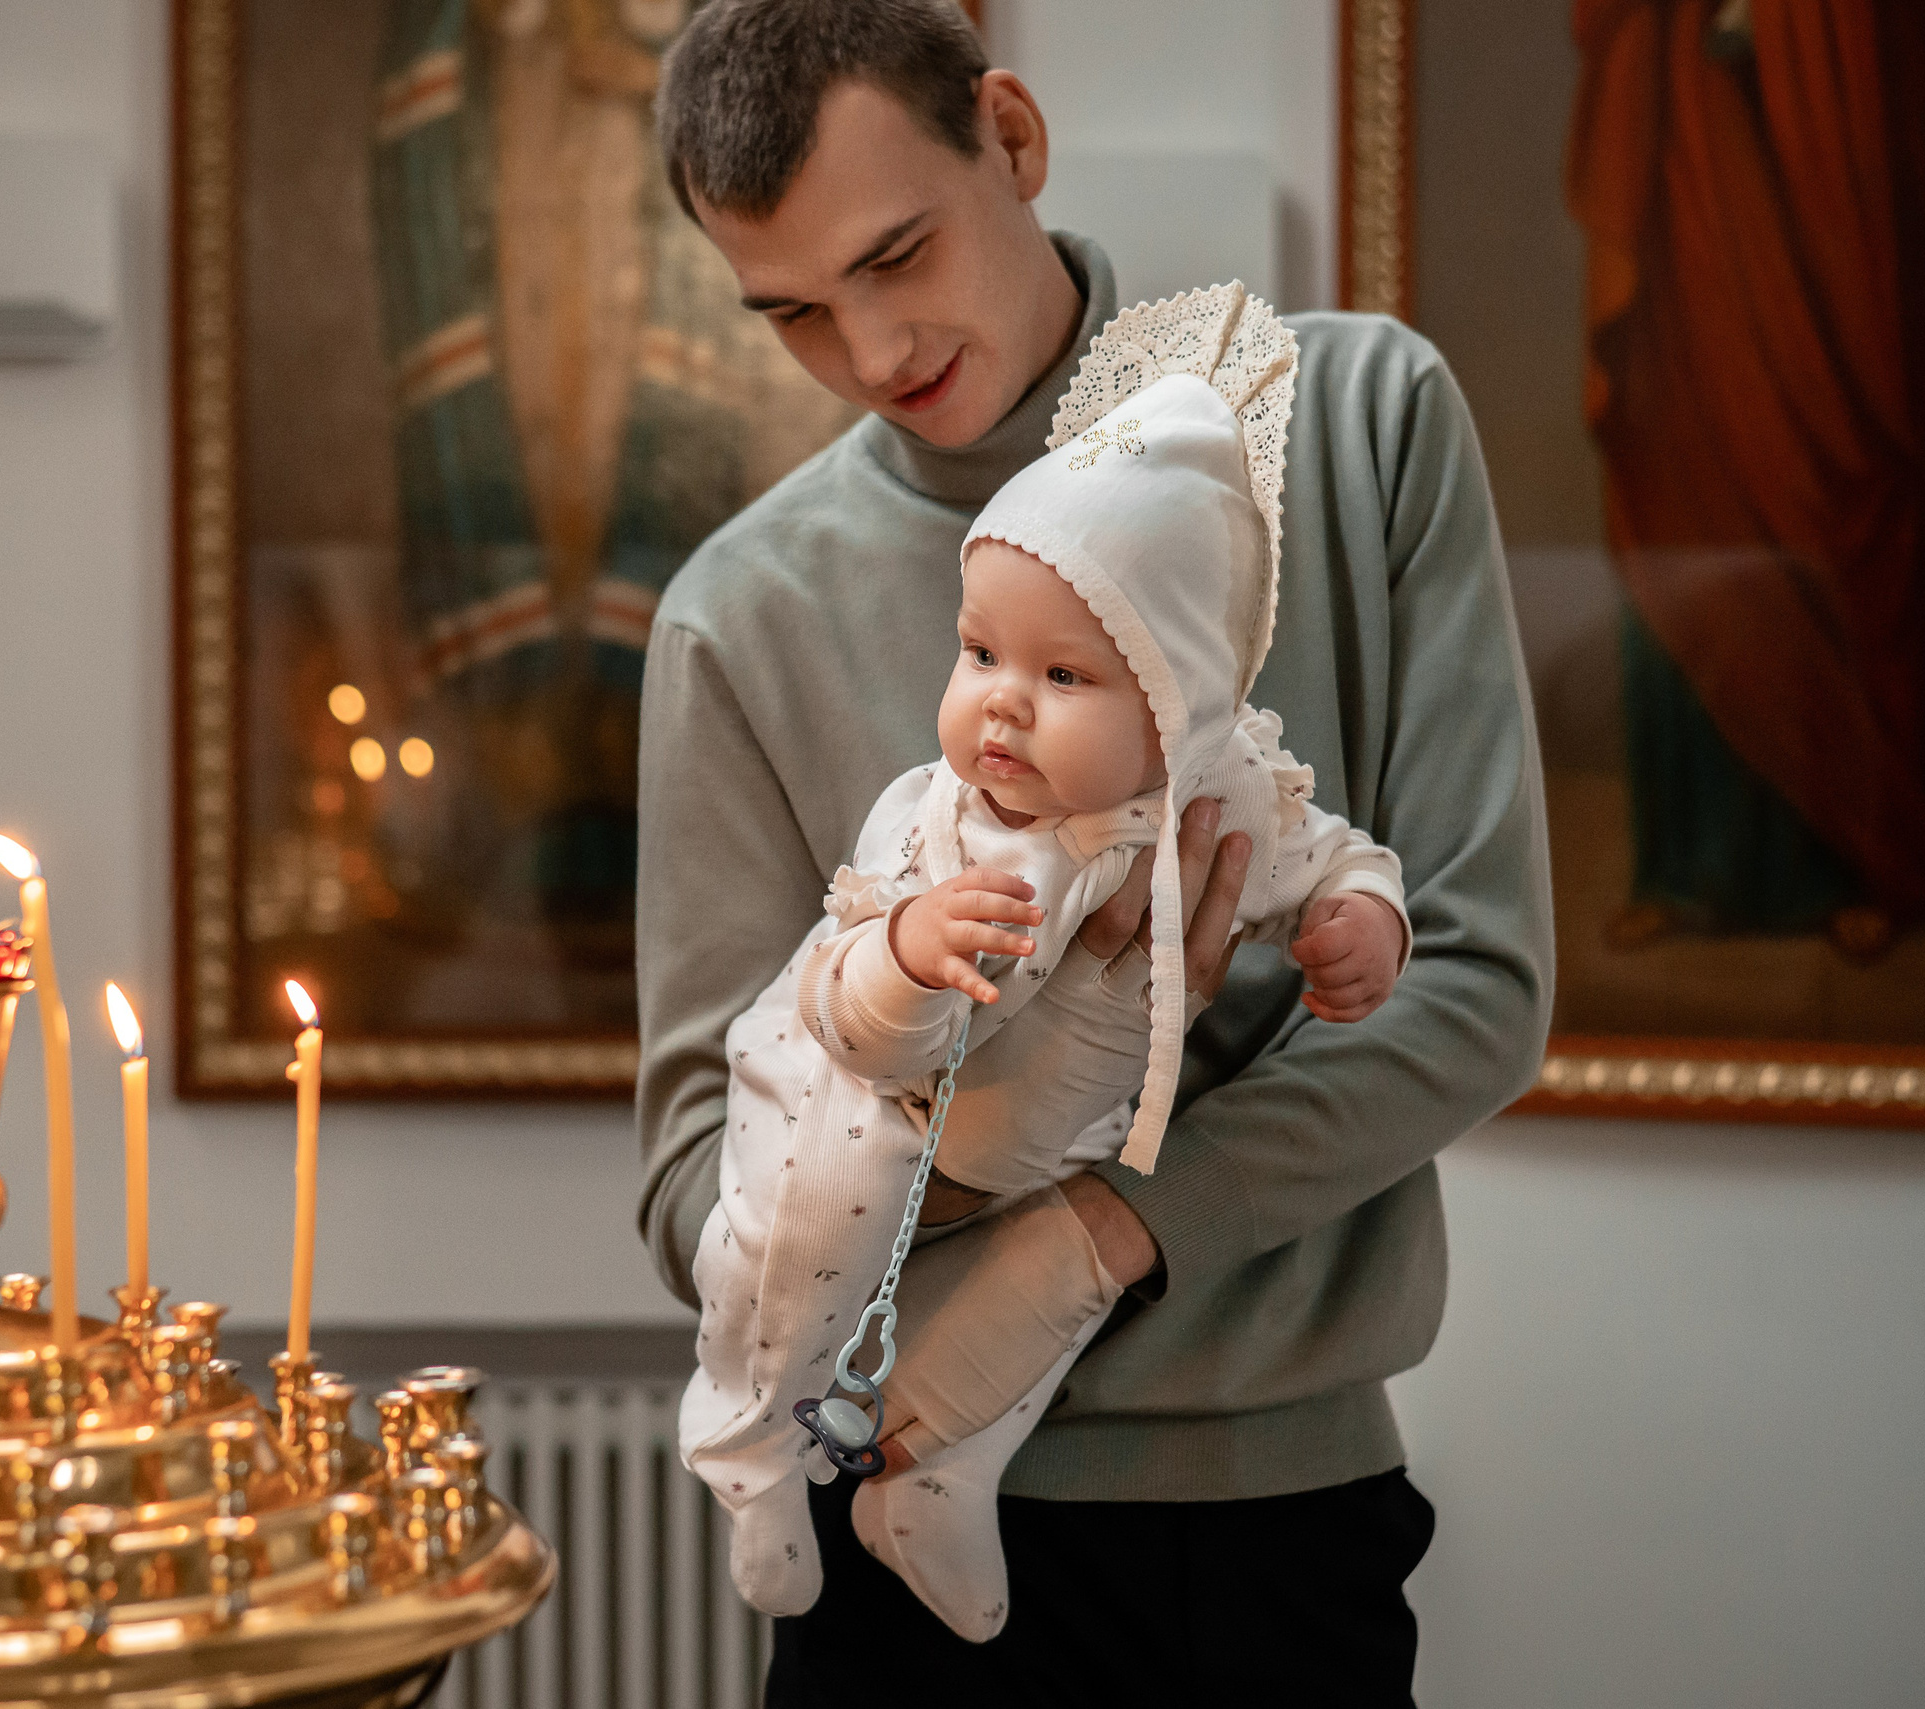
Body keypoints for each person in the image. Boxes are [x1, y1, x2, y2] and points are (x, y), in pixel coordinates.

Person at [636, 1, 1554, 1699]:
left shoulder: (1356, 421)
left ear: (1011, 134)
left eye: (897, 252)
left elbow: (1480, 982)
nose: (872, 347)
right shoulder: (733, 618)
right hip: (881, 1549)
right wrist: (987, 1103)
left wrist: (1107, 1229)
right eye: (793, 316)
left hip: (1276, 1521)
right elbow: (704, 1182)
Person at [682, 312, 1417, 1646]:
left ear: (1177, 701)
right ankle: (751, 1435)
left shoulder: (1226, 785)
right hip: (852, 1093)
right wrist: (912, 958)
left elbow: (1335, 855)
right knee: (826, 1230)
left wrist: (1365, 922)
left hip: (1077, 1141)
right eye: (979, 654)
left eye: (1062, 672)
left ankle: (939, 1484)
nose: (999, 706)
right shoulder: (946, 819)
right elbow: (844, 1008)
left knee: (1043, 1316)